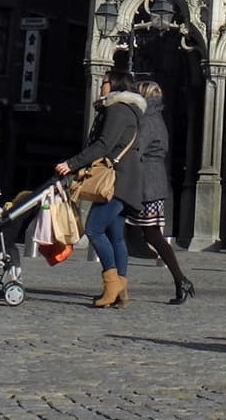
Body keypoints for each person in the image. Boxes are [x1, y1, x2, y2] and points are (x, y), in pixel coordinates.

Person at [55, 73, 146, 309]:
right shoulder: (132, 111)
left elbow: (103, 144)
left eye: (104, 82)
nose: (101, 86)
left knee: (94, 229)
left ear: (114, 85)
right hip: (128, 180)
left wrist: (72, 164)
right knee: (116, 235)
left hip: (116, 181)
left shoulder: (118, 109)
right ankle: (120, 287)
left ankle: (112, 284)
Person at [127, 79, 196, 305]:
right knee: (151, 234)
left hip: (146, 184)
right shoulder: (158, 118)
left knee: (151, 234)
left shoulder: (147, 120)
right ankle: (180, 280)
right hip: (155, 182)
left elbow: (137, 150)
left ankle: (180, 279)